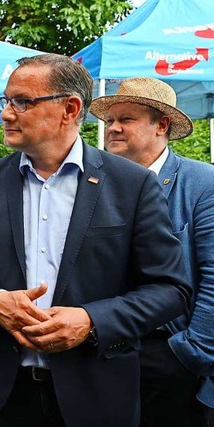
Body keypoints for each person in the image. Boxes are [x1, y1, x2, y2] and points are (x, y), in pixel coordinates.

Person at [0, 53, 191, 427]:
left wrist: (92, 320)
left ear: (69, 109)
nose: (6, 114)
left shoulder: (132, 185)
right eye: (5, 101)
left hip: (96, 394)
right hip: (3, 396)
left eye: (22, 102)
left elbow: (171, 288)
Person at [91, 77, 214, 427]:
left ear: (162, 125)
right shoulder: (94, 184)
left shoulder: (202, 184)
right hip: (105, 351)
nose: (112, 128)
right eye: (110, 120)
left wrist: (188, 354)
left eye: (126, 119)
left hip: (170, 355)